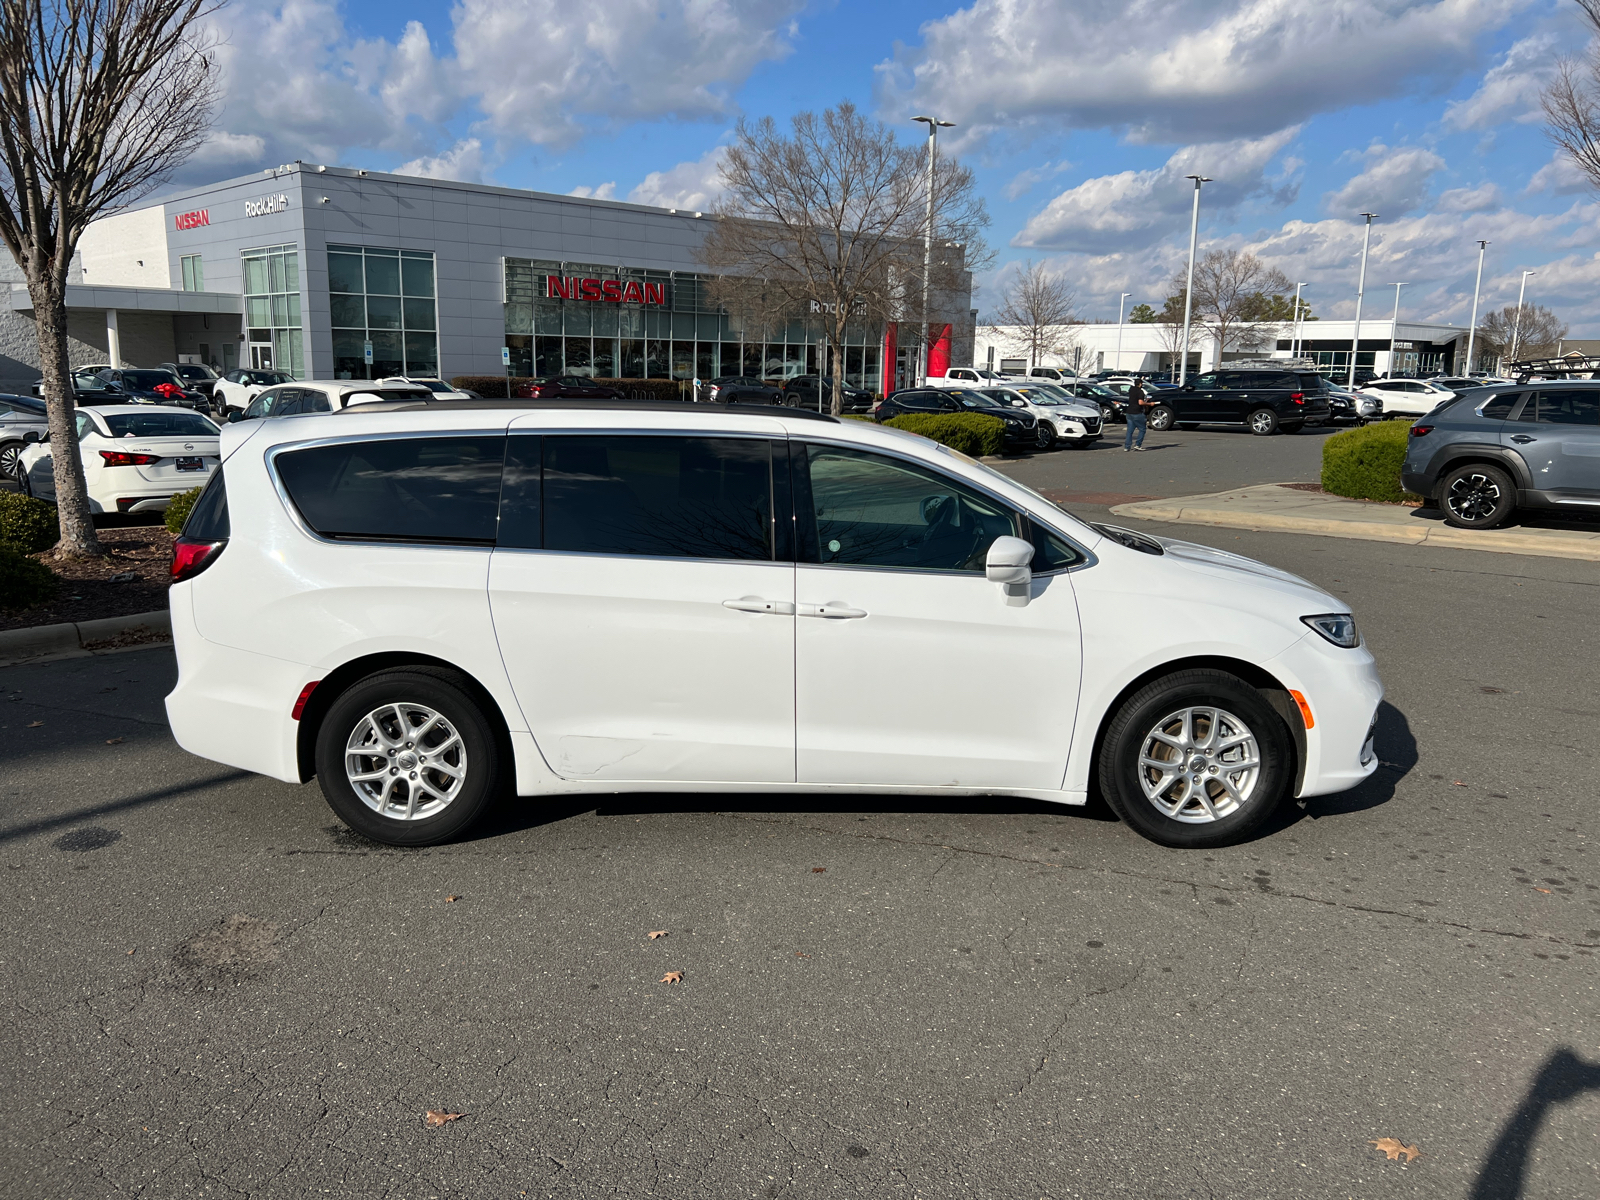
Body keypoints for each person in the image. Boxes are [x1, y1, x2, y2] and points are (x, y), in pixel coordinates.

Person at [1123, 377, 1150, 451]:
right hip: (1137, 412)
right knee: (1142, 429)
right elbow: (1140, 402)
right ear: (1140, 384)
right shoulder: (1140, 391)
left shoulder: (1131, 390)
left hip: (1129, 412)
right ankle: (1138, 445)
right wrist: (1149, 404)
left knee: (1130, 431)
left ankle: (1127, 447)